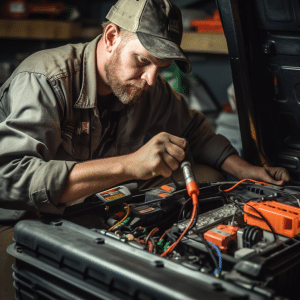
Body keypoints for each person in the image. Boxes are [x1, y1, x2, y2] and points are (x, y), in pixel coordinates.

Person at [0, 0, 291, 298]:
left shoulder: (150, 88)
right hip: (22, 216)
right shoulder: (45, 80)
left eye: (161, 67)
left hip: (93, 199)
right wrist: (130, 165)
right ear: (112, 37)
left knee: (207, 175)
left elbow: (196, 133)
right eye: (141, 60)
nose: (151, 78)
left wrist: (251, 171)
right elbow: (10, 179)